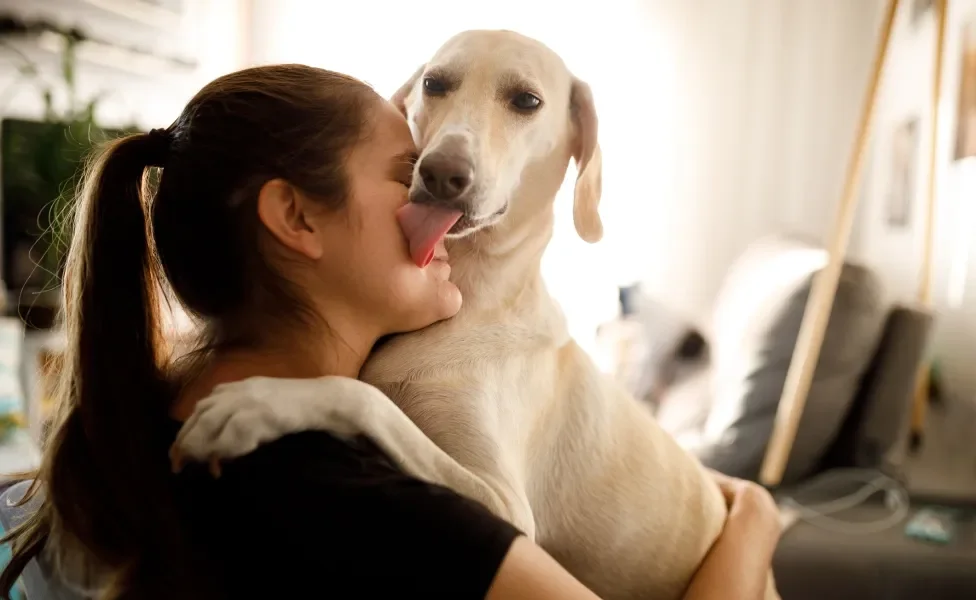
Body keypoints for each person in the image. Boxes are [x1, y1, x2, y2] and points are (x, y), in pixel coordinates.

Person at [0, 64, 781, 600]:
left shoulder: (154, 410)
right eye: (405, 174)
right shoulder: (347, 488)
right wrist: (753, 524)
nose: (440, 203)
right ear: (297, 217)